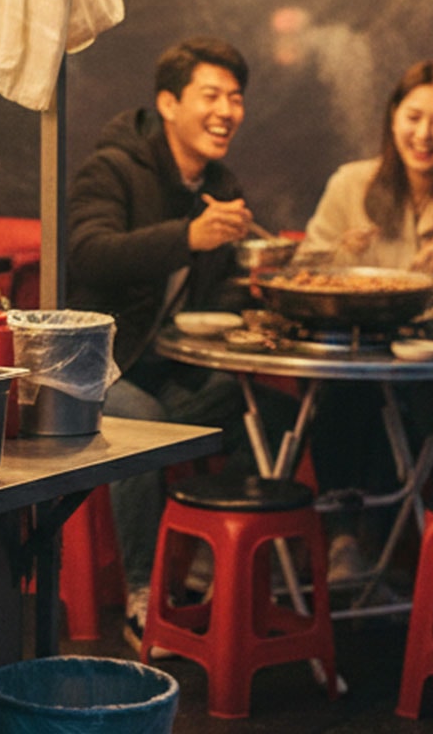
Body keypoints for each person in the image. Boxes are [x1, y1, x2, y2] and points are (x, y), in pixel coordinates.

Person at [67, 36, 297, 649]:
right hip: (95, 367)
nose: (227, 111)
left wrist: (240, 300)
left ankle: (201, 568)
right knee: (143, 426)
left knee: (271, 414)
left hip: (164, 362)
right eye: (211, 95)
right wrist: (186, 237)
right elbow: (87, 255)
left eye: (236, 98)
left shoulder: (219, 181)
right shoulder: (113, 167)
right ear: (168, 103)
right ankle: (143, 594)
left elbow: (222, 288)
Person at [299, 59, 433, 584]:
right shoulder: (352, 184)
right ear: (393, 117)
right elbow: (304, 274)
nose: (424, 135)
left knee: (408, 396)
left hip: (432, 372)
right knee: (343, 387)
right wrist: (338, 254)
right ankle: (348, 539)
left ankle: (377, 545)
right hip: (351, 359)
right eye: (413, 117)